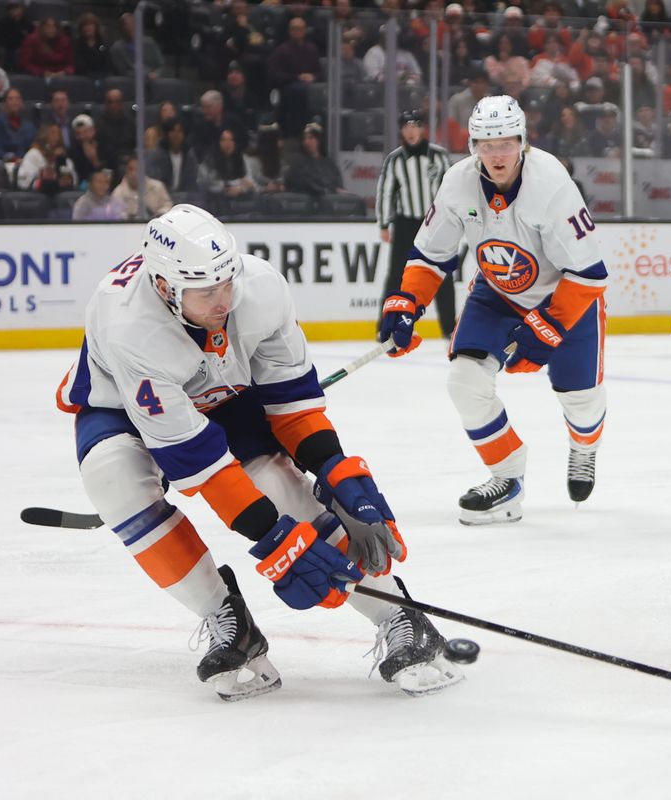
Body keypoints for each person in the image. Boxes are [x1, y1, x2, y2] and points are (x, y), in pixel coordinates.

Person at [54, 204, 464, 700]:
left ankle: (400, 615)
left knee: (279, 483)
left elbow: (292, 407)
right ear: (165, 288)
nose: (223, 299)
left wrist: (338, 473)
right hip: (119, 405)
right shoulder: (130, 326)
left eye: (227, 282)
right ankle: (226, 620)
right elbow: (202, 464)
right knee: (113, 478)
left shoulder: (261, 288)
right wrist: (274, 540)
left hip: (223, 394)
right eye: (205, 292)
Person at [379, 96, 607, 524]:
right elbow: (431, 256)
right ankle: (507, 479)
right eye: (487, 143)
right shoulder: (456, 183)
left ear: (523, 141)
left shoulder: (552, 184)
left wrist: (549, 326)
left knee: (580, 399)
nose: (497, 154)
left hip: (565, 298)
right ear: (472, 146)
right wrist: (408, 301)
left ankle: (584, 447)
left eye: (506, 142)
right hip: (497, 292)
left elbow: (589, 273)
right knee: (464, 381)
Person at [377, 110, 455, 340]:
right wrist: (383, 223)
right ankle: (385, 326)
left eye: (415, 126)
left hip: (434, 223)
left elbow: (451, 190)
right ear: (401, 130)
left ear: (422, 129)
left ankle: (449, 328)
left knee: (443, 273)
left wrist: (452, 220)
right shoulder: (395, 159)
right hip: (404, 224)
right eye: (406, 126)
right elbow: (385, 191)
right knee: (396, 276)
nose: (410, 131)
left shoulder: (439, 156)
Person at [111, 153, 173, 218]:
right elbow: (116, 215)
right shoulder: (118, 192)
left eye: (138, 169)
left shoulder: (158, 187)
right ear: (126, 171)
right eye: (130, 169)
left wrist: (159, 214)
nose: (134, 174)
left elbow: (167, 206)